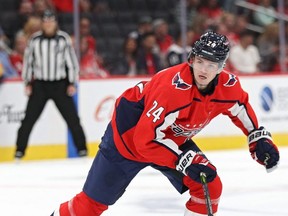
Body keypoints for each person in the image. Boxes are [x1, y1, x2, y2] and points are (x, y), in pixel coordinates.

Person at [51, 31, 280, 216]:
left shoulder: (229, 86)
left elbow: (240, 107)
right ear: (191, 59)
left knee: (209, 184)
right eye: (200, 61)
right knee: (91, 206)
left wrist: (256, 137)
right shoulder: (172, 88)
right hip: (127, 140)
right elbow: (143, 141)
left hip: (169, 139)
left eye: (211, 65)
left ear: (221, 67)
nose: (203, 70)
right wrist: (182, 160)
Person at [15, 10, 87, 159]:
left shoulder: (63, 39)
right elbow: (29, 62)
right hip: (40, 85)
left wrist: (72, 82)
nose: (48, 24)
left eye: (51, 21)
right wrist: (28, 82)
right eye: (46, 21)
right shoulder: (35, 40)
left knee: (73, 119)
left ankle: (82, 149)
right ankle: (19, 151)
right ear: (42, 23)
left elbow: (71, 62)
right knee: (28, 120)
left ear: (55, 23)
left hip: (60, 85)